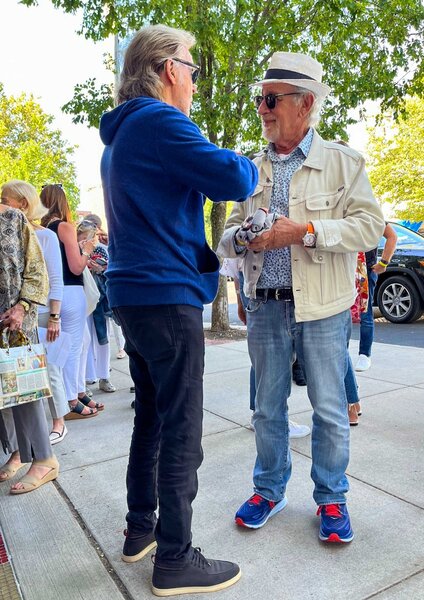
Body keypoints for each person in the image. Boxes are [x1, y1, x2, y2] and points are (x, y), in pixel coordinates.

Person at [99, 24, 257, 597]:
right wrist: (251, 160)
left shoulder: (120, 136)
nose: (193, 78)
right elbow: (233, 177)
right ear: (168, 69)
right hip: (167, 295)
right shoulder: (161, 121)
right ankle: (175, 557)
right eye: (191, 67)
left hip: (134, 296)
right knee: (182, 426)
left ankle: (141, 529)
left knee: (152, 419)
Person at [218, 51, 385, 543]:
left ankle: (331, 498)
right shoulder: (249, 170)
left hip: (323, 308)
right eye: (259, 100)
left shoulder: (343, 162)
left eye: (271, 100)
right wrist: (245, 237)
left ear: (305, 103)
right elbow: (226, 237)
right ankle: (269, 489)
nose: (262, 109)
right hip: (265, 304)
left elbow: (370, 226)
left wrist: (306, 230)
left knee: (329, 408)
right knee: (267, 408)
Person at [1, 180, 69, 444]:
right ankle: (26, 438)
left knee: (48, 368)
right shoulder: (8, 231)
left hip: (41, 311)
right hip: (17, 314)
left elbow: (53, 278)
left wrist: (54, 316)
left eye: (6, 199)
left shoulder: (45, 236)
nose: (3, 203)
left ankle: (59, 421)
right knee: (21, 375)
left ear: (23, 204)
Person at [0, 201, 59, 493]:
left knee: (25, 390)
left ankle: (44, 459)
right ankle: (18, 452)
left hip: (15, 321)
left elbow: (37, 270)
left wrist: (22, 307)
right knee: (3, 396)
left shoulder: (12, 217)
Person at [220, 258, 310, 438]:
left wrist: (239, 297)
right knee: (272, 360)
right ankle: (270, 416)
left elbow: (235, 263)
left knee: (263, 359)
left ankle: (260, 413)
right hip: (259, 281)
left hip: (249, 277)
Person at [40, 185, 99, 419]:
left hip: (50, 293)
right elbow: (75, 266)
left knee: (68, 345)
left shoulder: (40, 229)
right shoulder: (64, 227)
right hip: (70, 290)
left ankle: (76, 392)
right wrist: (87, 251)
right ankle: (71, 400)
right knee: (73, 346)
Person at [355, 223, 397, 372]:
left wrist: (383, 262)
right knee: (340, 315)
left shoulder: (372, 213)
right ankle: (342, 354)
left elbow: (392, 236)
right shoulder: (344, 209)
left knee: (366, 313)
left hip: (365, 270)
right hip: (342, 271)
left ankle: (364, 355)